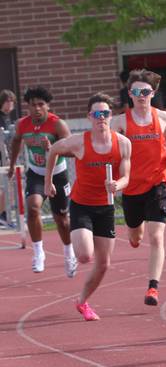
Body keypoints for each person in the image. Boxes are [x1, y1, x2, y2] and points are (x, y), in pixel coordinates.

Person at [44, 92, 131, 321]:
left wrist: (117, 184)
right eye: (96, 114)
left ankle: (82, 302)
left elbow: (126, 177)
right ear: (89, 117)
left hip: (106, 207)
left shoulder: (122, 143)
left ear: (111, 116)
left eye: (105, 113)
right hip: (82, 205)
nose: (101, 117)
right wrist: (48, 181)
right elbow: (53, 150)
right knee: (84, 256)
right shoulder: (78, 142)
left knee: (103, 265)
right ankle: (78, 236)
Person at [110, 69, 166, 306]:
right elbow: (109, 148)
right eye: (137, 91)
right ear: (130, 93)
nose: (141, 95)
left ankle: (153, 287)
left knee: (156, 236)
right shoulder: (119, 122)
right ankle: (133, 235)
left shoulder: (162, 118)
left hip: (157, 182)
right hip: (131, 187)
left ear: (153, 93)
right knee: (135, 234)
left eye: (145, 91)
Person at [7, 86, 76, 277]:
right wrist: (12, 165)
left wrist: (53, 148)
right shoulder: (23, 124)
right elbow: (15, 141)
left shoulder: (57, 125)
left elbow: (72, 149)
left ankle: (69, 252)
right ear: (27, 107)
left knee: (61, 220)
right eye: (32, 105)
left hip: (57, 174)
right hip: (36, 173)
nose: (37, 109)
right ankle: (38, 252)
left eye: (41, 105)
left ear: (48, 106)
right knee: (33, 208)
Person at [0, 89, 16, 228]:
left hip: (6, 156)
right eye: (7, 101)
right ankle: (2, 214)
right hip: (1, 157)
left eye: (12, 101)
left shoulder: (8, 117)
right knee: (4, 186)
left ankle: (4, 213)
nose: (10, 104)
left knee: (8, 185)